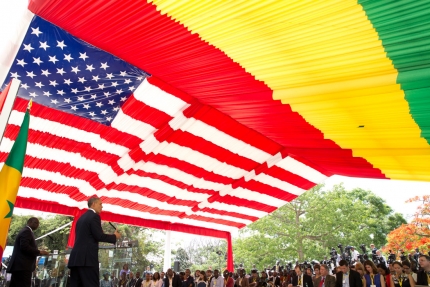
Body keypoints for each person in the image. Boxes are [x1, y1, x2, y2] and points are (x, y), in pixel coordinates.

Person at [68, 197, 121, 287]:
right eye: (100, 204)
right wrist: (114, 236)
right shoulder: (94, 216)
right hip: (87, 260)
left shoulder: (80, 218)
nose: (102, 206)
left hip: (75, 259)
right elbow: (99, 235)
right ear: (93, 204)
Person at [6, 217, 50, 287]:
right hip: (22, 266)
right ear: (29, 222)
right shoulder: (26, 231)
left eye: (38, 224)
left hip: (20, 266)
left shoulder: (26, 231)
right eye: (35, 223)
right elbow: (24, 247)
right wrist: (39, 252)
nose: (37, 225)